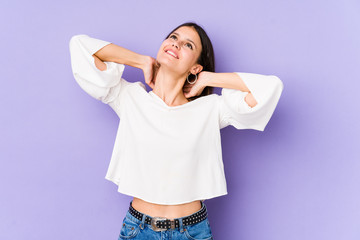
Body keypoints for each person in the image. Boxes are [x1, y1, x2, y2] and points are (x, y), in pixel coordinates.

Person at [69, 22, 284, 240]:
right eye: (173, 37)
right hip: (138, 230)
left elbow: (270, 87)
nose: (176, 43)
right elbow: (79, 46)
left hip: (191, 231)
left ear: (196, 68)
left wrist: (209, 79)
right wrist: (141, 61)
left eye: (188, 45)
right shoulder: (130, 97)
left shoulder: (210, 109)